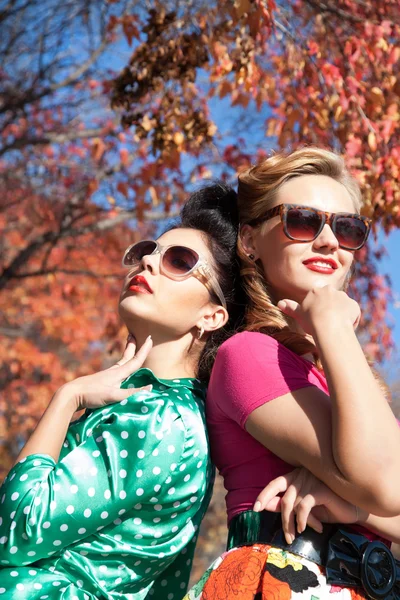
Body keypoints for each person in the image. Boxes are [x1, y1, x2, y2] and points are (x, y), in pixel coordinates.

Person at [0, 183, 244, 599]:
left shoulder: (159, 418)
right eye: (149, 250)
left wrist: (67, 397)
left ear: (212, 314)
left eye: (179, 261)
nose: (147, 262)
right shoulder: (164, 408)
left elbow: (18, 528)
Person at [184, 148, 400, 600]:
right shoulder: (248, 355)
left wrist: (350, 503)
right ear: (249, 241)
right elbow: (389, 484)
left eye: (347, 228)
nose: (328, 241)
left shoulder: (335, 374)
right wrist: (333, 325)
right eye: (302, 221)